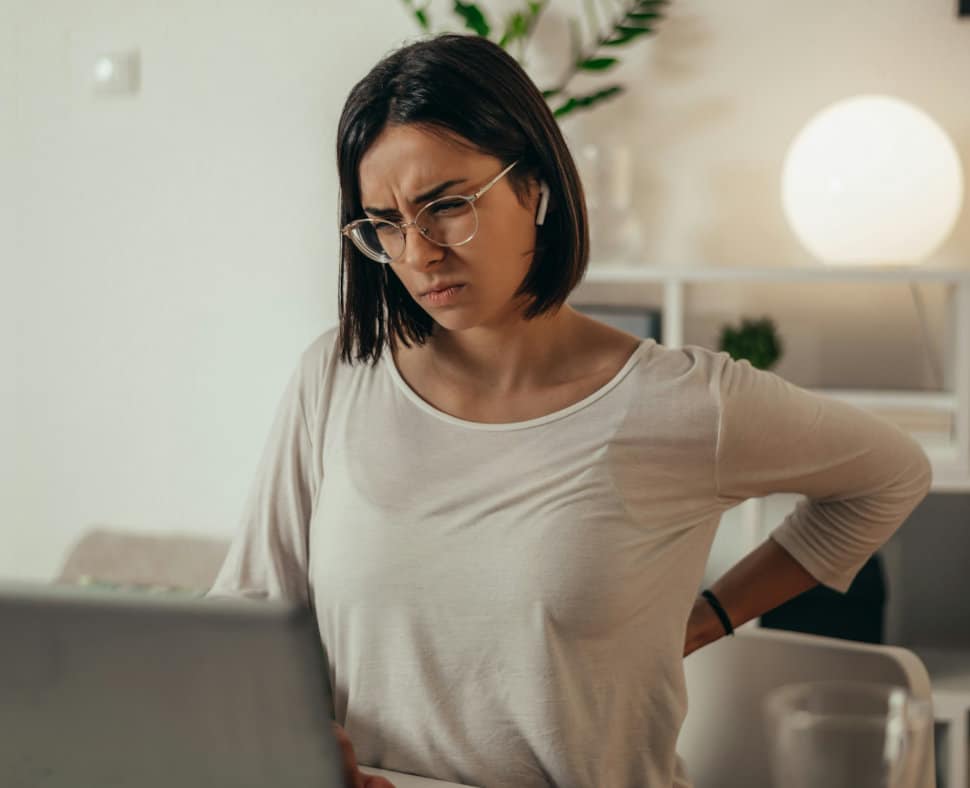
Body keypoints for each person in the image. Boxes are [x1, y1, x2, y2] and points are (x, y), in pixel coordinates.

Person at [208, 32, 933, 788]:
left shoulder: (683, 405)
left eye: (446, 206)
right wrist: (298, 742)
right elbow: (246, 620)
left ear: (537, 186)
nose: (418, 253)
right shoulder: (337, 375)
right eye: (384, 224)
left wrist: (709, 616)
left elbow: (890, 475)